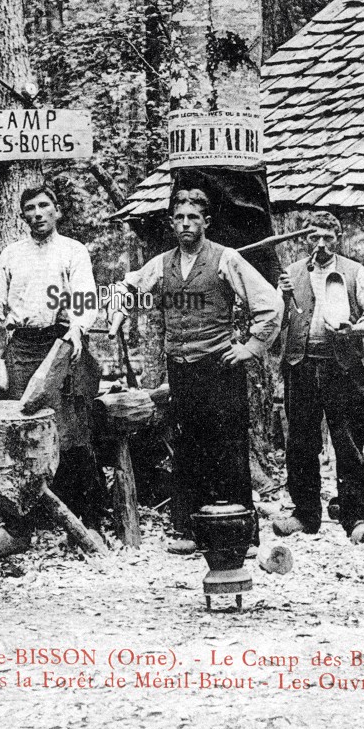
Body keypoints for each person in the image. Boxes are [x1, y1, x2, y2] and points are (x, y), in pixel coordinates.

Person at [108, 190, 282, 554]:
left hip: (219, 368)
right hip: (181, 370)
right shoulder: (162, 264)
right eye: (179, 218)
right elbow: (131, 287)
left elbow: (269, 305)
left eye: (193, 217)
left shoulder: (226, 259)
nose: (186, 224)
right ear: (172, 223)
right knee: (188, 448)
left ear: (206, 222)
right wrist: (119, 313)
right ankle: (191, 532)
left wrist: (250, 347)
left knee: (229, 447)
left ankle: (242, 536)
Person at [0, 185, 106, 557]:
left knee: (69, 432)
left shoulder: (73, 250)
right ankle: (18, 527)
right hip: (21, 346)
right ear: (23, 215)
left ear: (57, 211)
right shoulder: (12, 254)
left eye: (44, 206)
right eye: (30, 208)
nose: (38, 213)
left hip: (61, 344)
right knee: (19, 433)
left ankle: (88, 522)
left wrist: (76, 330)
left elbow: (86, 299)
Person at [270, 211, 364, 546]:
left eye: (328, 238)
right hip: (301, 365)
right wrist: (281, 294)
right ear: (305, 238)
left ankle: (355, 517)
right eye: (314, 237)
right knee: (301, 442)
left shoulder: (353, 272)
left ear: (338, 237)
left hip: (342, 367)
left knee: (348, 443)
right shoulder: (290, 275)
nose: (320, 244)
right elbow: (274, 320)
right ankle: (305, 514)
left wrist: (356, 328)